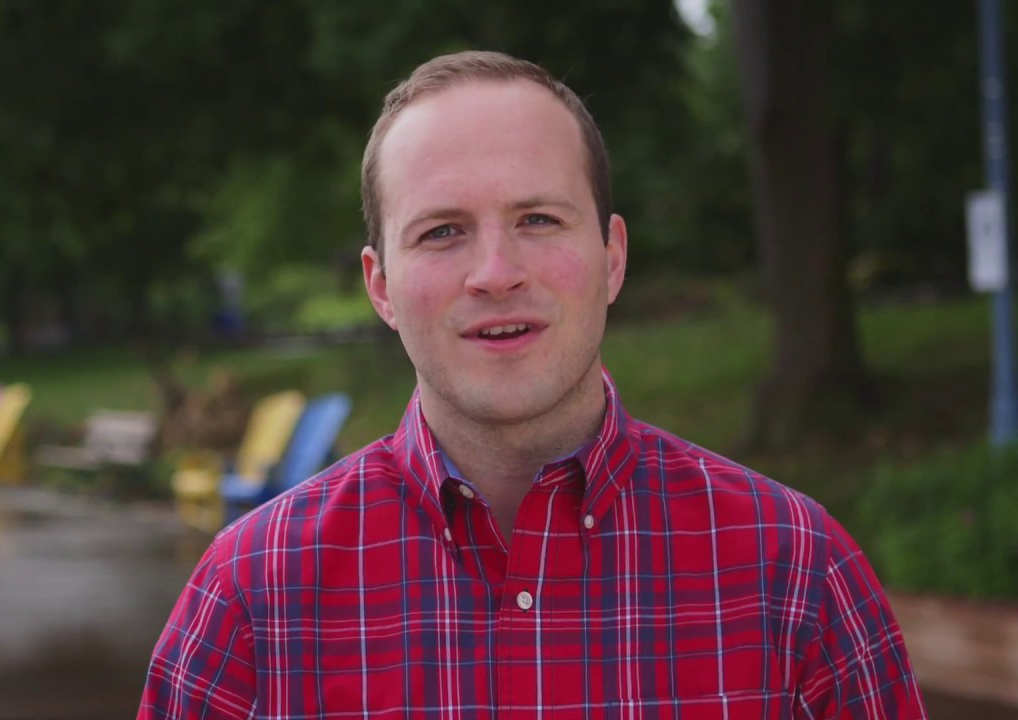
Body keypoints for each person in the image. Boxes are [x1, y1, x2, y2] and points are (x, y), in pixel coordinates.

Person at [137, 50, 926, 719]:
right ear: (380, 287)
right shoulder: (251, 598)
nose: (495, 274)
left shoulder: (794, 573)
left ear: (612, 257)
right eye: (442, 231)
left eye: (539, 220)